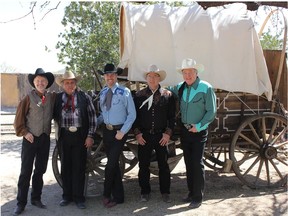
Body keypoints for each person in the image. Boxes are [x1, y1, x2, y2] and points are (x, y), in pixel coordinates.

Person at [169, 58, 216, 209]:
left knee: (197, 163)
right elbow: (168, 89)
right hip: (185, 130)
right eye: (185, 72)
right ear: (182, 74)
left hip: (198, 132)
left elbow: (211, 111)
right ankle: (191, 193)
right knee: (188, 163)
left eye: (190, 72)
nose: (188, 75)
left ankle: (197, 197)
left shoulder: (206, 88)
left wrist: (200, 126)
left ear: (196, 73)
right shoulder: (181, 87)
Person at [13, 68, 55, 215]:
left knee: (40, 170)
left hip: (44, 138)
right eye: (38, 81)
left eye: (43, 81)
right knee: (25, 171)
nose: (40, 83)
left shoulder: (52, 97)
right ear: (34, 83)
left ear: (47, 83)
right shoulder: (27, 98)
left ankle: (36, 198)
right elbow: (18, 119)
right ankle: (21, 203)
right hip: (30, 139)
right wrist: (25, 132)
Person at [53, 71, 97, 209]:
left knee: (79, 167)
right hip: (64, 136)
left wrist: (90, 136)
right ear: (62, 85)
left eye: (72, 82)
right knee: (65, 167)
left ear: (75, 83)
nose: (70, 85)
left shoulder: (84, 97)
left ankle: (79, 198)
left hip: (80, 136)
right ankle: (67, 196)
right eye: (67, 82)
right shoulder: (58, 98)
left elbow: (92, 118)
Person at [132, 64, 176, 203]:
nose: (152, 79)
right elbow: (135, 117)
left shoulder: (168, 95)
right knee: (143, 164)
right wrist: (138, 134)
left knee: (163, 164)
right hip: (144, 135)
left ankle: (165, 192)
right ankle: (145, 191)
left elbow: (172, 117)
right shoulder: (138, 96)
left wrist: (168, 134)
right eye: (149, 76)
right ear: (146, 78)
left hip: (161, 135)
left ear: (159, 78)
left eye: (155, 76)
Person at [97, 63, 136, 208]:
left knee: (111, 164)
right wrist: (95, 122)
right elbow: (103, 113)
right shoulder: (103, 92)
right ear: (104, 77)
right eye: (107, 75)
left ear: (116, 76)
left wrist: (123, 131)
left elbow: (132, 114)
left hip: (119, 132)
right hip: (107, 131)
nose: (109, 77)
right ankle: (119, 197)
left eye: (112, 74)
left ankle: (107, 194)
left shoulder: (124, 92)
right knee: (113, 165)